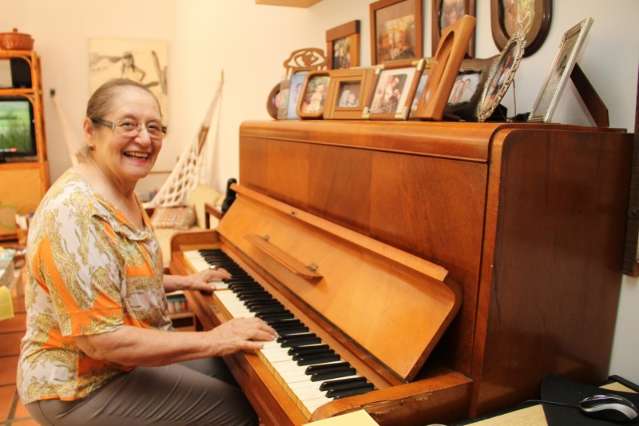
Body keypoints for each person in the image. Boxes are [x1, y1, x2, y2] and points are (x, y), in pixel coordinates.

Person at [17, 78, 277, 426]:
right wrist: (214, 338)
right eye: (128, 124)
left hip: (118, 364)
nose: (144, 138)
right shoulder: (75, 211)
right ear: (90, 132)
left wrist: (187, 280)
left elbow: (116, 278)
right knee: (236, 411)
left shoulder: (119, 188)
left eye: (154, 127)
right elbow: (102, 342)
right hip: (77, 386)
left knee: (237, 370)